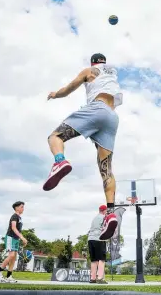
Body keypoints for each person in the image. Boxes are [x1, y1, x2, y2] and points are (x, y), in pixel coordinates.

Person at [43, 53, 123, 241]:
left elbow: (69, 88)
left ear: (93, 63)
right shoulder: (113, 75)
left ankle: (59, 162)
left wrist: (55, 94)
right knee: (106, 170)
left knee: (54, 137)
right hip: (112, 118)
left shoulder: (89, 71)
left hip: (97, 109)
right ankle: (110, 213)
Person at [0, 201, 27, 283]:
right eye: (22, 207)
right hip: (10, 238)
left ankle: (9, 276)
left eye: (23, 207)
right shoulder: (14, 216)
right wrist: (22, 237)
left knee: (14, 258)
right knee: (11, 255)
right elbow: (13, 228)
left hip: (16, 239)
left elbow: (18, 230)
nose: (23, 208)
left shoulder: (19, 218)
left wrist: (21, 238)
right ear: (16, 208)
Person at [88, 205, 108, 284]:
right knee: (102, 259)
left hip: (90, 239)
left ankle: (93, 279)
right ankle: (100, 278)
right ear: (104, 211)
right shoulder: (104, 218)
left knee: (94, 260)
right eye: (106, 211)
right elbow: (107, 228)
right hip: (99, 239)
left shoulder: (95, 218)